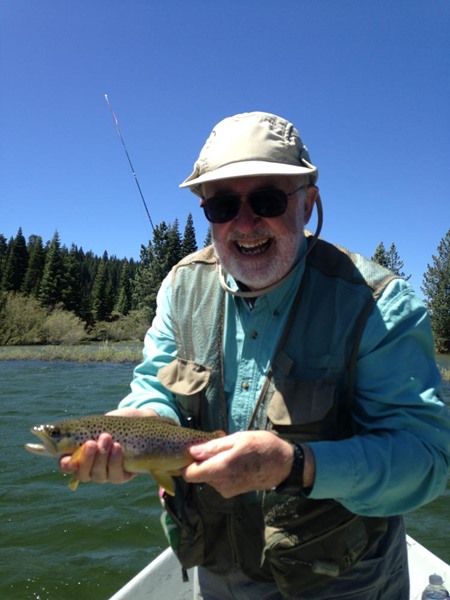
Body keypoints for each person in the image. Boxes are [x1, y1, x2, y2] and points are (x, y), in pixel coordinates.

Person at [61, 111, 450, 599]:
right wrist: (132, 429)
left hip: (344, 580)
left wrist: (295, 465)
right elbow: (156, 388)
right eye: (222, 205)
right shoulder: (180, 288)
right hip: (217, 565)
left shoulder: (381, 306)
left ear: (307, 204)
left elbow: (427, 461)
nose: (244, 223)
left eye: (266, 199)